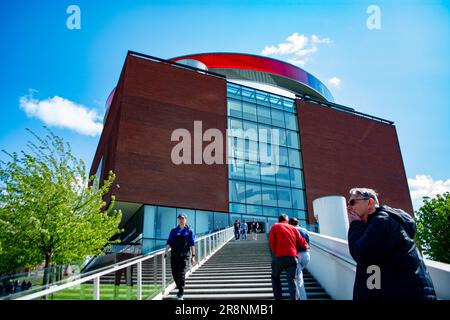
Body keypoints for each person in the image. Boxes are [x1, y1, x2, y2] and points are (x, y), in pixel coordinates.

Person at [347, 187, 436, 300]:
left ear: (369, 203)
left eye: (352, 202)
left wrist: (355, 224)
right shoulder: (377, 226)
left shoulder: (383, 221)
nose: (348, 207)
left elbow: (361, 253)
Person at [269, 214, 308, 300]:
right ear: (287, 220)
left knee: (275, 277)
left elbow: (271, 241)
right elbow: (302, 242)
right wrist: (306, 246)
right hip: (292, 258)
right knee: (292, 281)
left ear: (279, 220)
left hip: (279, 257)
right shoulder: (293, 228)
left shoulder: (275, 226)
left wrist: (276, 254)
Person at [164, 213, 196, 300]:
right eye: (180, 218)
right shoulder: (174, 230)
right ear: (178, 220)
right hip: (174, 256)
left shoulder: (189, 231)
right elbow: (169, 243)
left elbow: (192, 244)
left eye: (183, 218)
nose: (181, 220)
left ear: (186, 219)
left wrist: (193, 256)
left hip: (184, 256)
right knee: (174, 274)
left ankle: (180, 294)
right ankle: (180, 288)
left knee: (181, 274)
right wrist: (166, 252)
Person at [288, 217, 310, 300]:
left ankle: (303, 298)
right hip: (306, 254)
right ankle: (299, 296)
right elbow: (308, 242)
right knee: (298, 275)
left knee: (299, 279)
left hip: (297, 255)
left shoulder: (291, 230)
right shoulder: (304, 230)